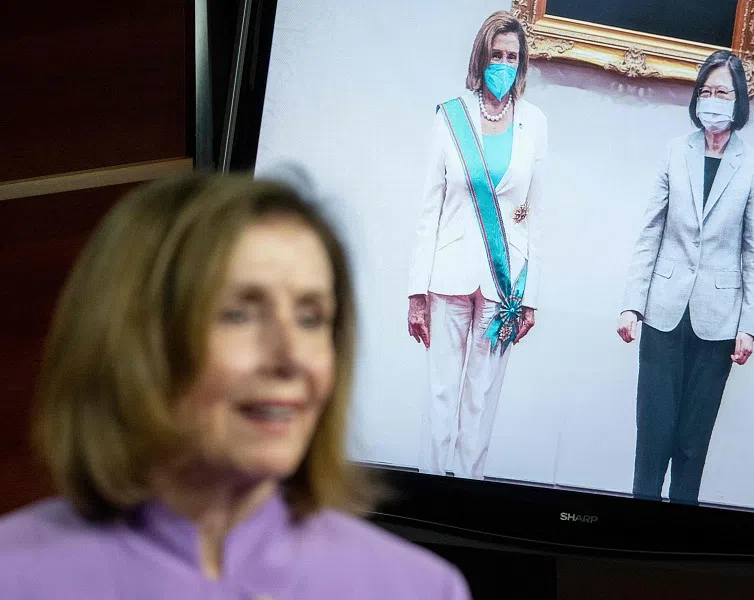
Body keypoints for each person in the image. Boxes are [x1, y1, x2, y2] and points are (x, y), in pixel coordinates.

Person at [0, 173, 471, 599]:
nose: (291, 358)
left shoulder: (420, 589)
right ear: (134, 340)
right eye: (238, 314)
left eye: (311, 319)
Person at [617, 50, 754, 504]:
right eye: (707, 91)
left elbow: (753, 251)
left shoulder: (753, 165)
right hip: (663, 312)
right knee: (653, 435)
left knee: (691, 443)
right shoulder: (674, 152)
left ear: (738, 101)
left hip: (718, 322)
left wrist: (748, 326)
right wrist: (631, 303)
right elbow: (650, 232)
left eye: (723, 92)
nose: (713, 100)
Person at [407, 10, 548, 480]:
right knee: (442, 396)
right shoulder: (451, 117)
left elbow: (536, 215)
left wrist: (530, 297)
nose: (503, 64)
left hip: (502, 284)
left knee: (480, 401)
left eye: (512, 56)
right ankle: (430, 496)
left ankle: (470, 493)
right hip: (447, 277)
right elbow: (429, 209)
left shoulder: (535, 123)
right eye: (496, 55)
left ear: (522, 63)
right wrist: (415, 292)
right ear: (480, 56)